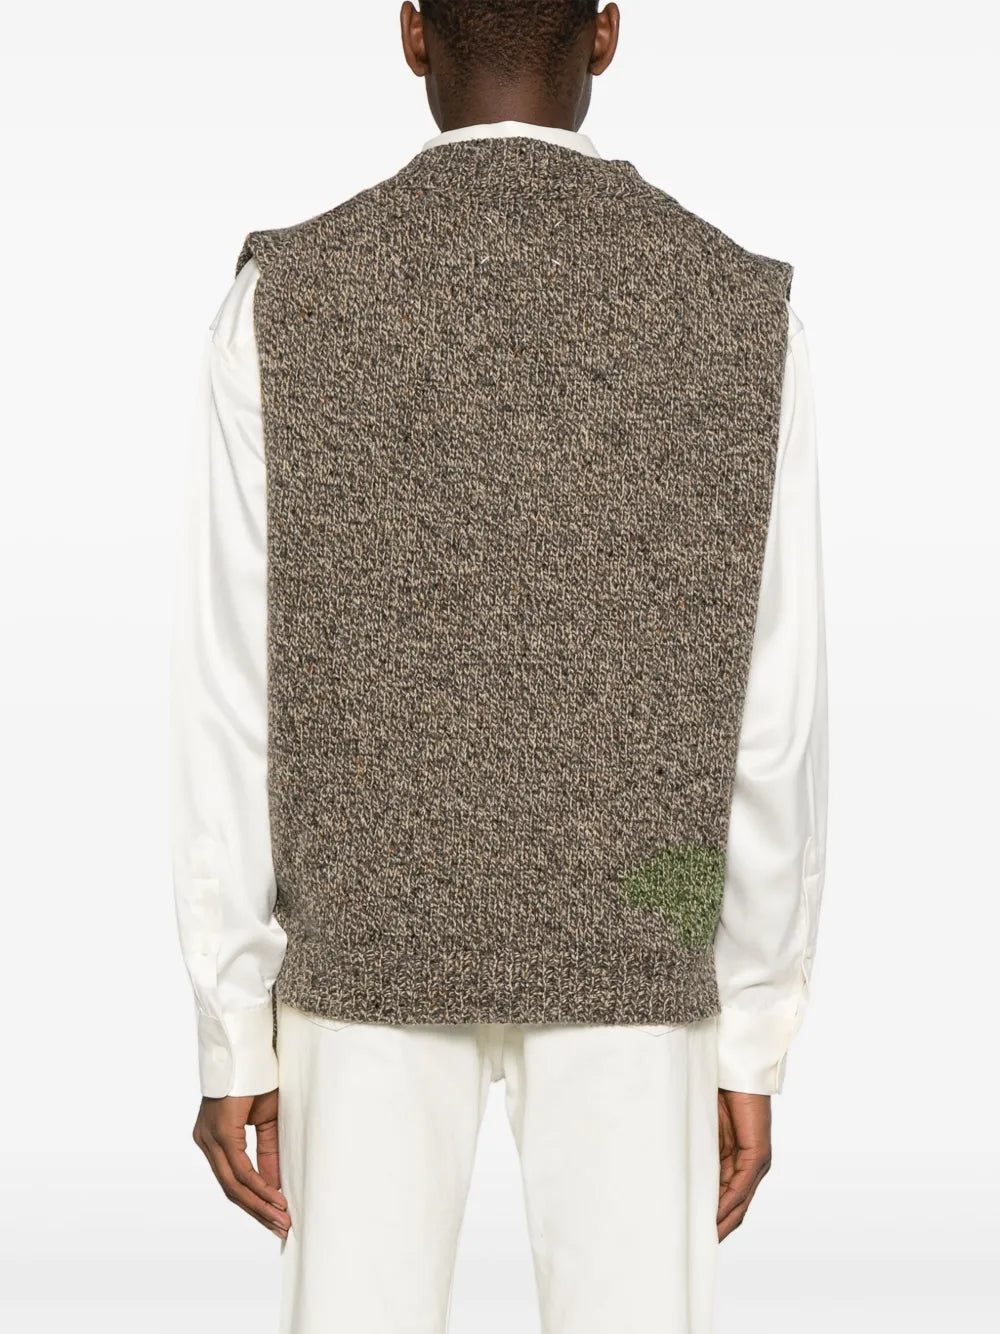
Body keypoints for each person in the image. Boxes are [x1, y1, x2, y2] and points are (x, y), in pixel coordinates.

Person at [170, 3, 828, 1330]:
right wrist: (751, 1020)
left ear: (412, 33)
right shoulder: (738, 308)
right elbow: (771, 710)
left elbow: (234, 688)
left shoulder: (286, 301)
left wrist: (235, 1019)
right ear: (607, 33)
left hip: (364, 930)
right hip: (644, 925)